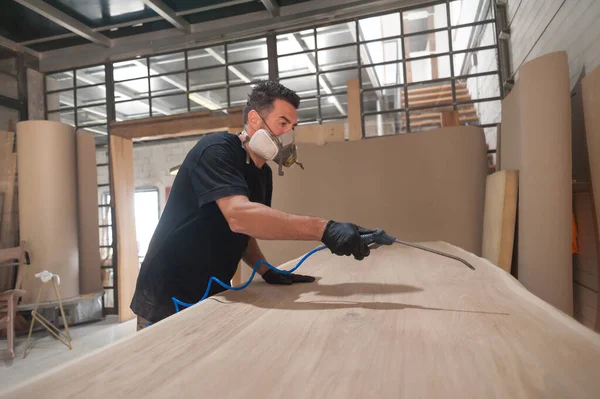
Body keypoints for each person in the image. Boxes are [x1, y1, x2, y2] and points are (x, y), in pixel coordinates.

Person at [130, 80, 374, 330]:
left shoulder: (263, 174)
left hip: (212, 295)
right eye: (282, 123)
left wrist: (266, 270)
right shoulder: (216, 150)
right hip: (166, 297)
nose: (287, 134)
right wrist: (325, 230)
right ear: (255, 119)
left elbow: (244, 232)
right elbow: (240, 216)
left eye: (292, 126)